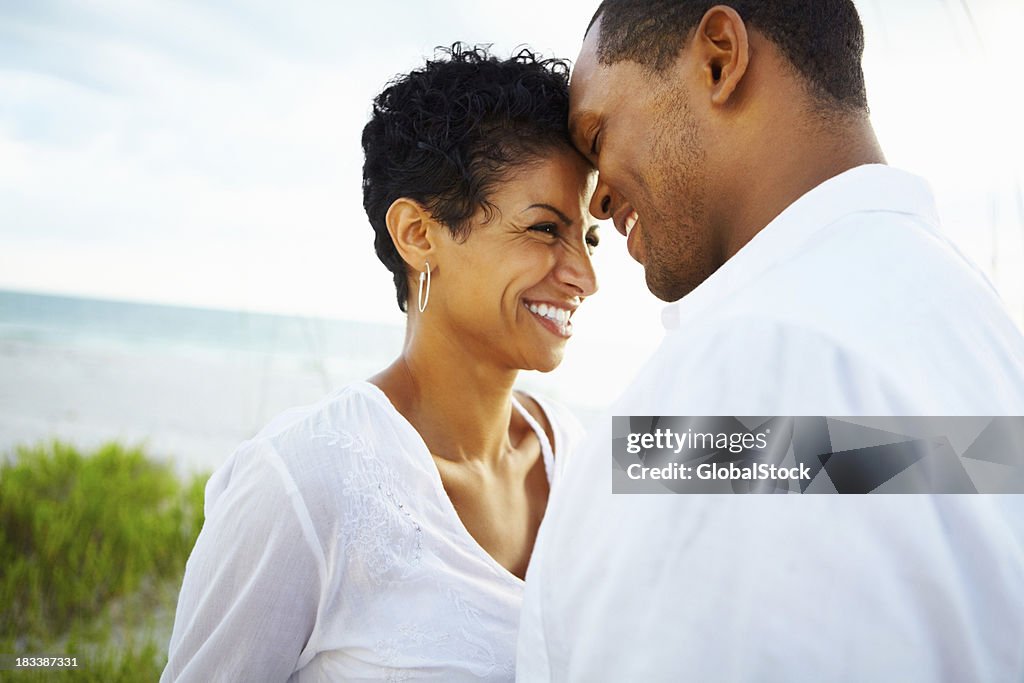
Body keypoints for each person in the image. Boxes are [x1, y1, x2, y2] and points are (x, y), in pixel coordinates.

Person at [517, 1, 1024, 681]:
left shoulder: (749, 372)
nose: (598, 201)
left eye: (598, 134)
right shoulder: (973, 325)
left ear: (719, 58)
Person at [162, 44, 599, 682]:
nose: (586, 277)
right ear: (419, 235)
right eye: (544, 229)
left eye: (589, 238)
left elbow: (771, 459)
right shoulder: (302, 480)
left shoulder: (577, 457)